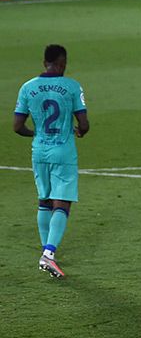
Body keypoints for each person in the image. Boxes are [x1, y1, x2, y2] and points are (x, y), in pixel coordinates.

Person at [12, 45, 89, 280]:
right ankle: (49, 254)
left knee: (44, 200)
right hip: (62, 152)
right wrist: (80, 131)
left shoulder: (27, 87)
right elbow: (84, 124)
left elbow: (17, 127)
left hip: (39, 151)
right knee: (62, 202)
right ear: (62, 62)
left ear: (44, 61)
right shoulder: (71, 86)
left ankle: (46, 248)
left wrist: (35, 135)